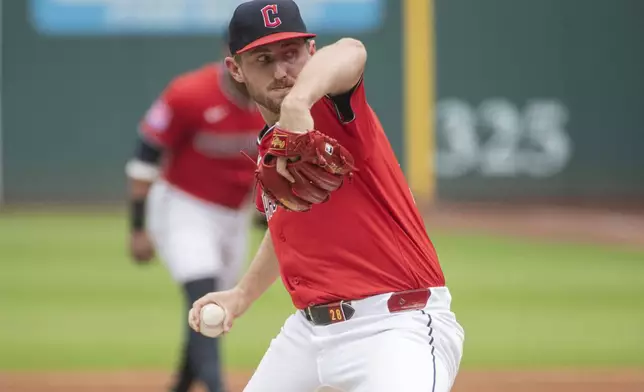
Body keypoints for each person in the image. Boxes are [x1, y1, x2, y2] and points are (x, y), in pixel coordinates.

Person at [189, 1, 465, 391]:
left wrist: (297, 103)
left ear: (312, 51)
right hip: (308, 335)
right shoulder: (275, 149)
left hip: (395, 326)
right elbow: (289, 225)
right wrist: (240, 296)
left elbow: (352, 51)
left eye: (291, 54)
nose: (282, 70)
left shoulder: (334, 109)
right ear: (236, 69)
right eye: (263, 59)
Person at [125, 42, 265, 392]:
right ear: (233, 60)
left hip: (234, 216)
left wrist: (266, 210)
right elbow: (145, 159)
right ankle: (217, 386)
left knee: (211, 306)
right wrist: (138, 228)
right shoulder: (188, 94)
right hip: (183, 206)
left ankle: (181, 385)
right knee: (205, 298)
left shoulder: (276, 99)